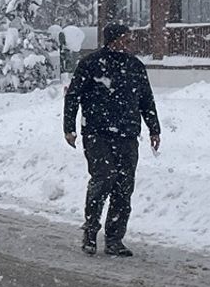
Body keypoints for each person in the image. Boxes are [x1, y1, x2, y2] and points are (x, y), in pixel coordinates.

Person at [63, 23, 161, 257]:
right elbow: (73, 96)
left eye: (129, 40)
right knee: (103, 179)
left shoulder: (135, 66)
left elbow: (146, 99)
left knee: (124, 187)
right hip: (97, 133)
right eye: (125, 39)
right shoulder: (91, 63)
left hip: (127, 134)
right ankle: (90, 232)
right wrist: (69, 128)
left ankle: (114, 239)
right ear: (112, 40)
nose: (129, 44)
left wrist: (154, 129)